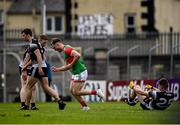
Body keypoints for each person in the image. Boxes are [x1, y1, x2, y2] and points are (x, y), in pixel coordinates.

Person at [51, 38, 105, 110]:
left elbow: (78, 55)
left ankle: (97, 92)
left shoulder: (67, 49)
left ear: (57, 44)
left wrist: (71, 65)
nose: (55, 49)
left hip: (80, 72)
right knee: (72, 91)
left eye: (54, 47)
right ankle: (85, 106)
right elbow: (67, 67)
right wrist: (58, 69)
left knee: (76, 91)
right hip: (76, 73)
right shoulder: (66, 50)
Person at [20, 29, 66, 110]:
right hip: (43, 67)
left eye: (46, 42)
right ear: (40, 40)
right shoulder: (39, 47)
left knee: (27, 87)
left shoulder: (34, 44)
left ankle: (26, 106)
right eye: (44, 42)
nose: (45, 44)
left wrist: (38, 68)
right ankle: (60, 101)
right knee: (46, 87)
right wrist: (25, 66)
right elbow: (32, 57)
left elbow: (38, 57)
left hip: (37, 67)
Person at [19, 45, 38, 110]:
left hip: (25, 66)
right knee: (26, 86)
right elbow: (29, 60)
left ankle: (30, 105)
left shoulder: (30, 50)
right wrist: (24, 70)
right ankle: (25, 105)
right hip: (27, 67)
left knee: (31, 87)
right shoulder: (31, 50)